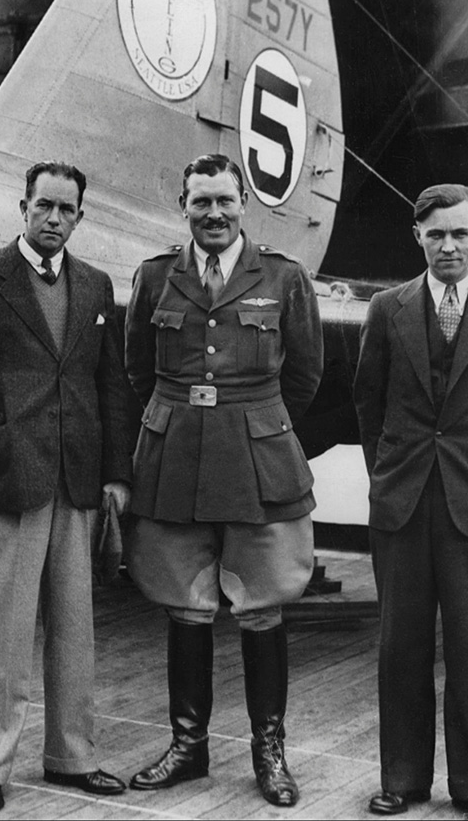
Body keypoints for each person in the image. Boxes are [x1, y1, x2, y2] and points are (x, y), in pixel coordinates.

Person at [0, 161, 135, 813]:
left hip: (77, 483)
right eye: (43, 206)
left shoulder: (97, 288)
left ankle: (72, 756)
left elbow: (111, 388)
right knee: (0, 634)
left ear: (79, 217)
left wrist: (117, 476)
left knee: (76, 631)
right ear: (23, 206)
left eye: (65, 210)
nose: (53, 219)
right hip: (10, 480)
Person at [123, 153, 323, 807]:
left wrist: (254, 424)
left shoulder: (286, 277)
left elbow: (305, 376)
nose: (213, 213)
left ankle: (269, 750)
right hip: (175, 456)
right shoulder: (155, 277)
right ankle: (189, 746)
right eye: (201, 201)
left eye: (224, 202)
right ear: (183, 205)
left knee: (263, 604)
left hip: (258, 459)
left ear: (245, 206)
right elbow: (136, 371)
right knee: (185, 603)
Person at [353, 184, 468, 821]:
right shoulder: (387, 308)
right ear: (418, 238)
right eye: (436, 234)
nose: (448, 246)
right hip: (403, 501)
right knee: (400, 646)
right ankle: (402, 779)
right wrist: (387, 471)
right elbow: (367, 403)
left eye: (460, 233)